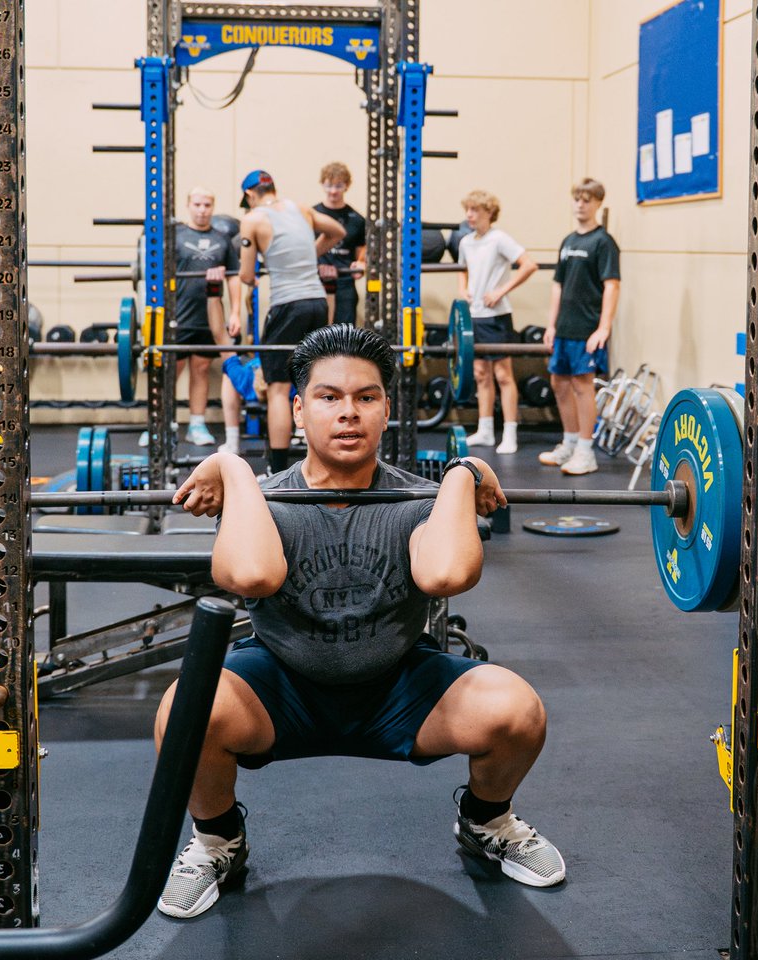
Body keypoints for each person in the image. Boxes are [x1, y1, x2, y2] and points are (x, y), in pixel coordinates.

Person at [155, 324, 565, 921]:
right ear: (297, 408)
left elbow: (447, 574)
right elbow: (250, 577)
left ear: (387, 408)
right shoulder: (259, 498)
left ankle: (485, 820)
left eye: (366, 397)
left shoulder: (421, 499)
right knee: (185, 708)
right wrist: (233, 467)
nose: (348, 413)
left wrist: (464, 471)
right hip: (282, 689)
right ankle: (219, 840)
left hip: (397, 689)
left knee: (516, 708)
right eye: (328, 397)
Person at [236, 170, 345, 475]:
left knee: (277, 389)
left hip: (288, 306)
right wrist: (309, 254)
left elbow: (246, 275)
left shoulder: (253, 218)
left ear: (249, 195)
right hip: (318, 303)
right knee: (314, 384)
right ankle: (322, 463)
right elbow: (338, 231)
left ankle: (277, 470)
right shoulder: (302, 209)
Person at [140, 188, 242, 448]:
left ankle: (196, 424)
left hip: (209, 318)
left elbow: (233, 278)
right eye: (197, 204)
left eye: (207, 204)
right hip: (178, 315)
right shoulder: (176, 236)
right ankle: (159, 425)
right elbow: (156, 275)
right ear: (188, 205)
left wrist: (235, 312)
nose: (202, 209)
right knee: (170, 371)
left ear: (213, 206)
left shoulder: (223, 240)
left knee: (202, 369)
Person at [539, 178, 620, 476]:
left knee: (582, 386)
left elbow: (612, 286)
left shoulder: (603, 242)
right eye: (577, 199)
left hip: (588, 330)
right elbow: (558, 286)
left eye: (587, 199)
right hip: (564, 329)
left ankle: (586, 451)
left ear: (598, 203)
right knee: (559, 384)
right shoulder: (569, 241)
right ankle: (570, 442)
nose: (581, 204)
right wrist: (551, 325)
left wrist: (603, 328)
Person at [456, 190, 537, 454]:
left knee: (503, 375)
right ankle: (486, 431)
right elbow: (463, 270)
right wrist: (463, 289)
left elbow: (528, 265)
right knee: (481, 375)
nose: (469, 214)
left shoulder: (499, 239)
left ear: (489, 212)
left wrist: (501, 291)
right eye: (467, 209)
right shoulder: (466, 242)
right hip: (475, 316)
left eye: (475, 210)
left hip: (497, 316)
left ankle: (510, 432)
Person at [313, 161, 367, 326]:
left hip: (344, 284)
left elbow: (361, 252)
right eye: (329, 186)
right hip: (316, 283)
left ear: (347, 186)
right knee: (316, 336)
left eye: (338, 186)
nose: (333, 191)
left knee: (344, 335)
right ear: (322, 184)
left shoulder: (357, 220)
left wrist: (361, 264)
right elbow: (303, 252)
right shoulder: (312, 216)